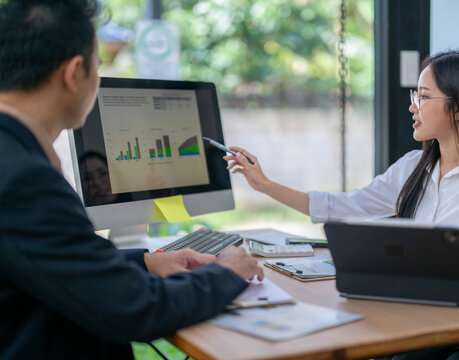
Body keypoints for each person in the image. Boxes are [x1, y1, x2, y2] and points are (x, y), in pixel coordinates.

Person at [225, 50, 459, 359]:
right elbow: (344, 207)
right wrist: (264, 185)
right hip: (418, 313)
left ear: (458, 108)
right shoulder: (413, 166)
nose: (412, 107)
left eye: (423, 97)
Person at [0, 1, 263, 359]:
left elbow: (48, 261)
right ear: (74, 73)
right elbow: (137, 309)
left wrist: (144, 262)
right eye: (99, 65)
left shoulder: (12, 154)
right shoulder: (24, 178)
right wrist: (229, 272)